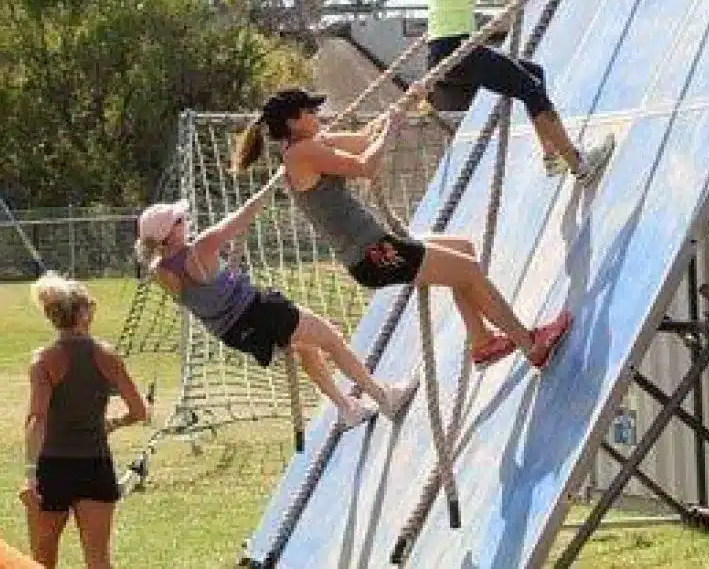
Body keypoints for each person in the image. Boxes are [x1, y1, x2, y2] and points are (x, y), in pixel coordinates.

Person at [231, 88, 573, 371]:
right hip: (373, 254)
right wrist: (393, 128)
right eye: (311, 111)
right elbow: (366, 166)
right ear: (293, 121)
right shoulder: (301, 154)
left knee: (463, 251)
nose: (318, 115)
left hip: (379, 247)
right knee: (467, 271)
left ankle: (482, 343)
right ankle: (531, 346)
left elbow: (364, 140)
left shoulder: (309, 144)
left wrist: (403, 105)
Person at [135, 195, 415, 432]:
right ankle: (383, 397)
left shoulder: (159, 271)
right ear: (168, 233)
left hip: (234, 333)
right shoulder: (202, 246)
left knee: (307, 348)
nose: (186, 222)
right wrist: (267, 192)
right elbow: (243, 216)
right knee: (330, 338)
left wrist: (227, 272)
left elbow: (206, 289)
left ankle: (346, 409)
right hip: (259, 310)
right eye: (179, 221)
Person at [427, 0, 614, 183]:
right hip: (457, 47)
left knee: (533, 74)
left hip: (447, 50)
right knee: (531, 89)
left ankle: (551, 155)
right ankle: (578, 164)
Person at [21, 273, 148, 569]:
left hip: (52, 467)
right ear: (83, 313)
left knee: (42, 559)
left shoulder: (43, 360)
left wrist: (30, 476)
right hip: (95, 465)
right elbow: (140, 412)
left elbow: (36, 419)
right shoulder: (109, 357)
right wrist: (113, 423)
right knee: (98, 559)